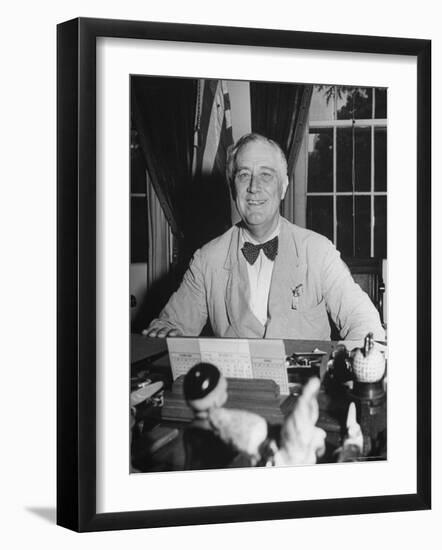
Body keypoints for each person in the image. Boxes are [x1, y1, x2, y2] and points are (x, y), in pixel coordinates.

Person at [143, 133, 385, 341]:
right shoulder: (207, 259)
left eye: (266, 175)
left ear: (284, 187)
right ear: (232, 187)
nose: (253, 187)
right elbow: (170, 327)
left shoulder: (318, 251)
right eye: (244, 175)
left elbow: (365, 325)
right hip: (235, 391)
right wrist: (165, 333)